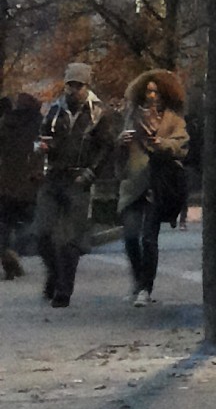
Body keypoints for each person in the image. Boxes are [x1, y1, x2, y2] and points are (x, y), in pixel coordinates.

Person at [34, 64, 115, 308]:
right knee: (41, 232)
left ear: (87, 86)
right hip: (54, 177)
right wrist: (42, 148)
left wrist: (91, 174)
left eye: (78, 85)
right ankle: (54, 273)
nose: (73, 90)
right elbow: (41, 138)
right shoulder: (55, 110)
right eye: (70, 85)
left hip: (79, 179)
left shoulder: (100, 113)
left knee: (69, 240)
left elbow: (106, 146)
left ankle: (63, 290)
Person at [115, 70, 189, 307]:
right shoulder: (131, 117)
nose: (152, 95)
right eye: (148, 91)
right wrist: (121, 143)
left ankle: (146, 288)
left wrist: (163, 144)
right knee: (129, 237)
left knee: (149, 238)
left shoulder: (173, 119)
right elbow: (118, 152)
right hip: (133, 184)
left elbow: (182, 147)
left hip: (158, 185)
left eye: (156, 91)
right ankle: (139, 281)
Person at [0, 90, 43, 279]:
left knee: (5, 221)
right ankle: (15, 252)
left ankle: (6, 250)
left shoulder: (5, 123)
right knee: (29, 223)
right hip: (30, 181)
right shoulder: (40, 124)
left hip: (6, 180)